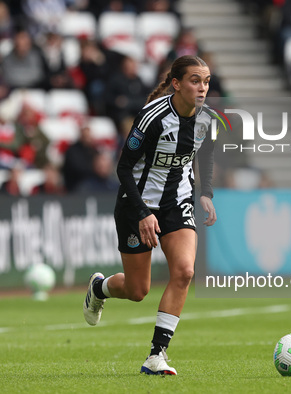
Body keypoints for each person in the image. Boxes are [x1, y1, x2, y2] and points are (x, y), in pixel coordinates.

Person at [82, 55, 217, 375]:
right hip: (136, 204)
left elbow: (206, 156)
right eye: (195, 81)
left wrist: (206, 192)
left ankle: (157, 355)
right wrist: (143, 213)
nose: (202, 88)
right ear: (177, 84)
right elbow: (123, 167)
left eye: (207, 81)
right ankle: (100, 289)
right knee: (137, 291)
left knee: (184, 271)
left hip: (178, 202)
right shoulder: (151, 117)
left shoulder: (207, 118)